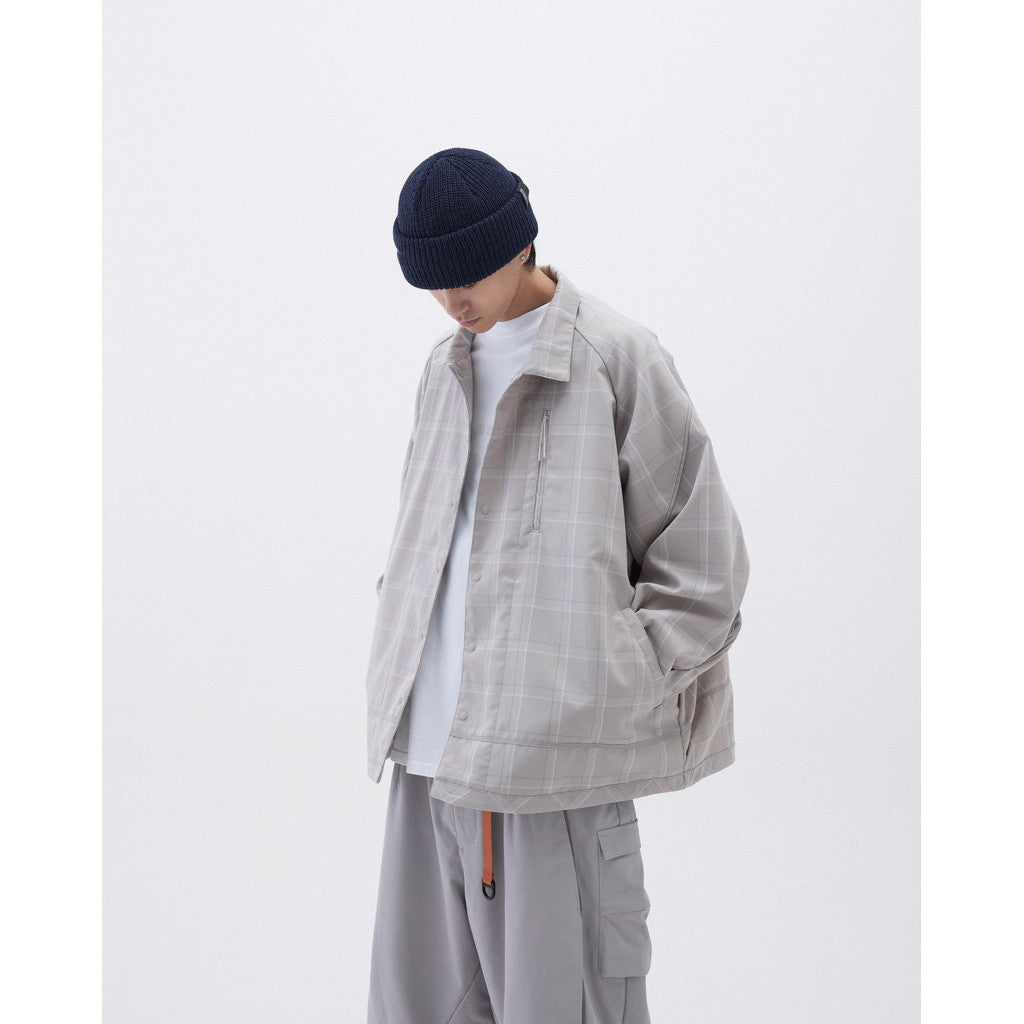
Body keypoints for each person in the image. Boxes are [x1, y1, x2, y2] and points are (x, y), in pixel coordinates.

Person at [364, 147, 750, 1024]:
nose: (450, 300)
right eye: (430, 282)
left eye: (464, 275)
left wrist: (604, 686)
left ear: (518, 244)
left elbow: (705, 569)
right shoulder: (444, 369)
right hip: (426, 763)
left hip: (551, 772)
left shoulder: (616, 358)